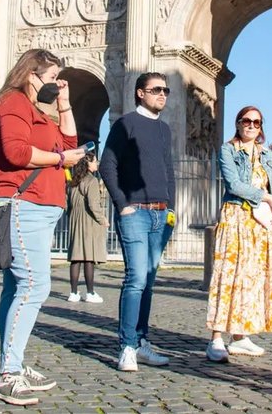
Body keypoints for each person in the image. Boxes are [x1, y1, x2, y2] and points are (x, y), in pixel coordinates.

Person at [0, 48, 87, 407]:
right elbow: (14, 152)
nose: (56, 84)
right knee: (34, 284)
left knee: (15, 288)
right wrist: (60, 159)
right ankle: (8, 374)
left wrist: (64, 103)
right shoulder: (13, 103)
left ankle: (14, 364)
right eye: (51, 77)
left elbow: (70, 142)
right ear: (31, 75)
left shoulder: (37, 110)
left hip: (41, 207)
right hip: (23, 204)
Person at [100, 72, 176, 372]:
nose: (163, 94)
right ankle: (127, 346)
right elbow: (108, 164)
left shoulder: (165, 130)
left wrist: (172, 208)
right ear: (140, 93)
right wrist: (122, 204)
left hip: (161, 213)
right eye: (156, 89)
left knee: (149, 282)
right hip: (135, 212)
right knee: (136, 279)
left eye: (166, 90)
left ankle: (142, 342)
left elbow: (169, 168)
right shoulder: (125, 124)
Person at [206, 106, 272, 363]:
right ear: (238, 123)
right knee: (227, 276)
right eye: (246, 121)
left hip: (259, 223)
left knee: (252, 279)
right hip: (235, 217)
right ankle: (216, 339)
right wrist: (268, 198)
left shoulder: (267, 154)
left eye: (256, 122)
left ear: (261, 126)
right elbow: (234, 185)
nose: (251, 125)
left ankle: (240, 337)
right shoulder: (228, 149)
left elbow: (267, 184)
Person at [66, 152, 109, 303]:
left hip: (75, 221)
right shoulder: (92, 181)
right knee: (88, 258)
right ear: (88, 163)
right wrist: (102, 219)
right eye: (94, 161)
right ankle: (90, 293)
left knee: (76, 259)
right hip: (88, 222)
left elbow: (68, 204)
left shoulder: (73, 182)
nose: (96, 164)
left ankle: (73, 292)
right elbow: (93, 205)